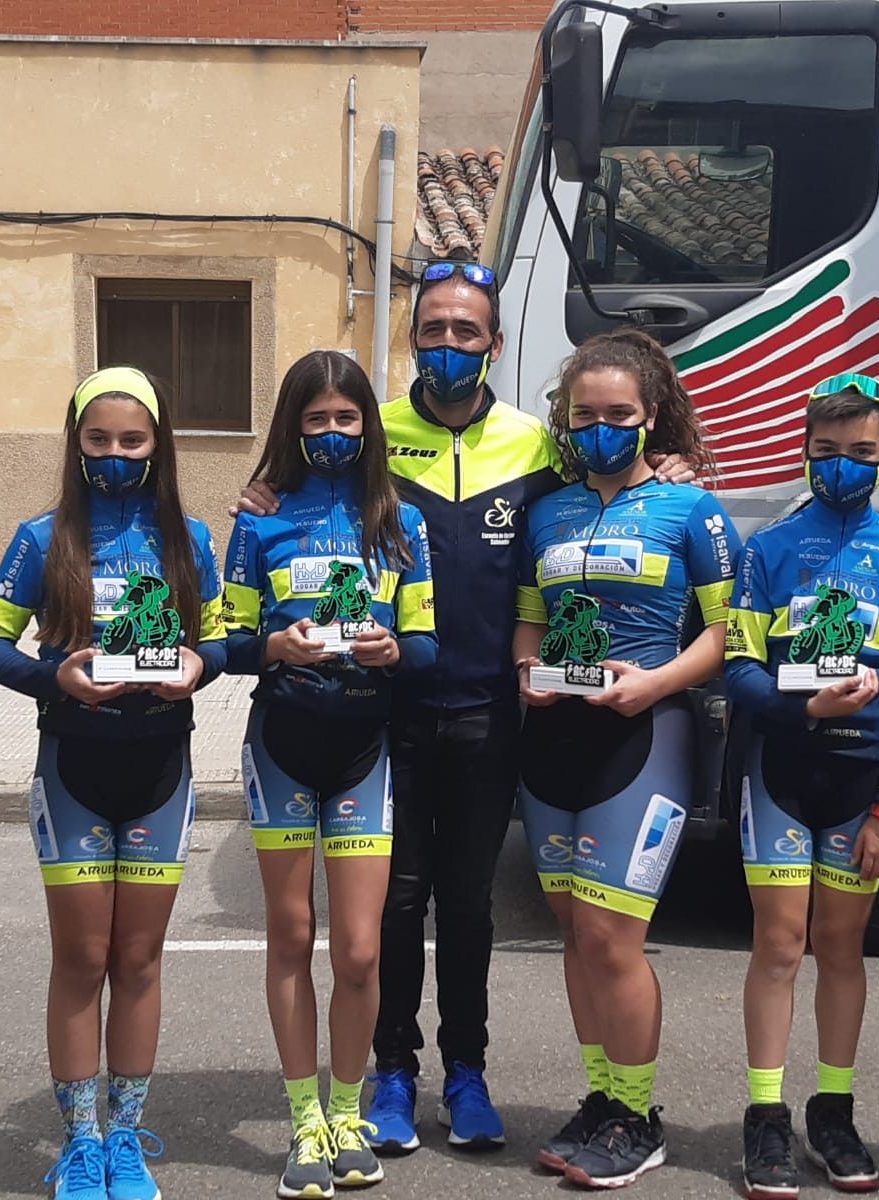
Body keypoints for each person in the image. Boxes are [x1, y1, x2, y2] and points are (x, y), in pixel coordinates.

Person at [236, 262, 697, 1155]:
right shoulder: (374, 433)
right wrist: (263, 493)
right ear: (414, 340)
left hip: (496, 706)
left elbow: (621, 472)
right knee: (398, 904)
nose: (448, 345)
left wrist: (677, 465)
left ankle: (469, 1073)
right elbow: (303, 480)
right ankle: (394, 1074)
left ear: (493, 342)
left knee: (471, 905)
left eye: (466, 331)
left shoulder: (537, 443)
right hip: (388, 707)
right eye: (433, 329)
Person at [0, 366, 226, 1200]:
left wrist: (200, 664)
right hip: (72, 766)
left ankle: (125, 1140)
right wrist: (58, 677)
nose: (114, 455)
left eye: (132, 441)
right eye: (98, 440)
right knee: (82, 957)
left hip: (160, 768)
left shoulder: (191, 537)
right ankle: (79, 1140)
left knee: (141, 959)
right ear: (75, 444)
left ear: (159, 446)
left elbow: (220, 642)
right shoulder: (39, 537)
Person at [514, 329, 738, 1189]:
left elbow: (728, 632)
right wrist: (523, 671)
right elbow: (529, 617)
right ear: (565, 425)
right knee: (574, 933)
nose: (602, 429)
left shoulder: (693, 512)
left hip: (646, 733)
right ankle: (602, 1099)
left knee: (613, 937)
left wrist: (655, 685)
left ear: (650, 419)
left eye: (620, 415)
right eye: (586, 417)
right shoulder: (548, 510)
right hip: (555, 738)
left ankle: (640, 1117)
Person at [223, 351, 437, 1199]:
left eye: (347, 418)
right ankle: (303, 1121)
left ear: (368, 426)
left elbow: (423, 643)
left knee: (356, 949)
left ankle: (348, 1115)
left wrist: (393, 650)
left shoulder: (400, 522)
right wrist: (271, 646)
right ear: (293, 427)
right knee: (287, 936)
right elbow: (226, 643)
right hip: (281, 742)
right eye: (316, 419)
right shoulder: (259, 519)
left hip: (364, 749)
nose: (333, 432)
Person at [724, 374, 879, 1199]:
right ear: (804, 452)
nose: (842, 466)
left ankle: (834, 1112)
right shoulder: (769, 549)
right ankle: (765, 1116)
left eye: (860, 452)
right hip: (783, 769)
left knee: (842, 949)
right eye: (826, 452)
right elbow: (740, 672)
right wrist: (803, 709)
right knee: (779, 946)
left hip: (863, 786)